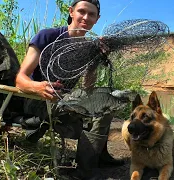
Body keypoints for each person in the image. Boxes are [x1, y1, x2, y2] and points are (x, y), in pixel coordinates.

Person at [15, 0, 124, 179]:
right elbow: (20, 79)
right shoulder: (47, 36)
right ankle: (85, 171)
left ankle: (93, 160)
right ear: (71, 12)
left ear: (97, 19)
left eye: (92, 14)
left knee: (107, 101)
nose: (86, 17)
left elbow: (88, 88)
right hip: (37, 100)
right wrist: (38, 87)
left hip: (64, 100)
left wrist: (95, 57)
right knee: (92, 110)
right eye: (82, 11)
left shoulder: (88, 46)